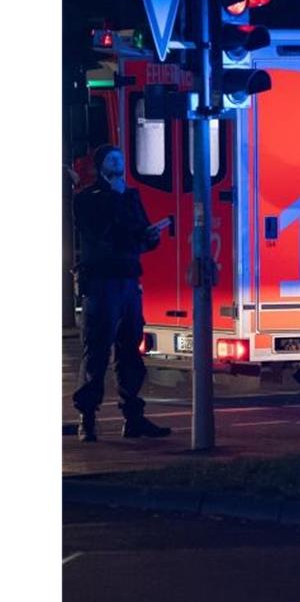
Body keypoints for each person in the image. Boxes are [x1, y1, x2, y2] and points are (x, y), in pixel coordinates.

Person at [72, 145, 171, 442]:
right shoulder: (88, 199)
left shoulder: (130, 196)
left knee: (130, 348)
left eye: (120, 159)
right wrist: (115, 197)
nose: (118, 163)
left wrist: (150, 237)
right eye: (112, 159)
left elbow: (136, 232)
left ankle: (133, 417)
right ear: (101, 166)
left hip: (128, 279)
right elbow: (98, 231)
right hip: (102, 282)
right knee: (98, 349)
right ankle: (87, 418)